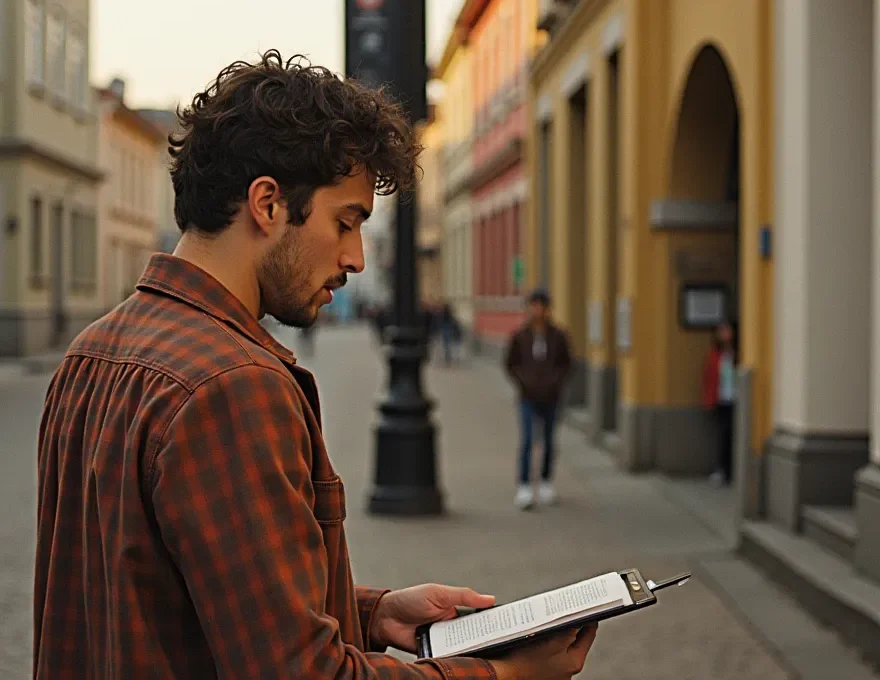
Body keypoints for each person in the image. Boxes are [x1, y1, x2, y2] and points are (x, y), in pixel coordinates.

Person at [33, 51, 597, 679]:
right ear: (268, 204)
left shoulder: (89, 353)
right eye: (345, 222)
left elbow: (175, 594)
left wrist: (371, 613)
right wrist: (503, 674)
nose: (356, 258)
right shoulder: (232, 385)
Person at [504, 290, 573, 510]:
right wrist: (523, 382)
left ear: (547, 309)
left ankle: (546, 482)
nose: (537, 310)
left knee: (549, 441)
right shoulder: (520, 336)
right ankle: (524, 485)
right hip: (527, 396)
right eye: (533, 306)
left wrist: (555, 382)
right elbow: (510, 364)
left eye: (541, 306)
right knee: (527, 440)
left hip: (551, 396)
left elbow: (567, 364)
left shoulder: (558, 336)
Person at [702, 320, 738, 486]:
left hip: (735, 400)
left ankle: (731, 470)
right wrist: (709, 399)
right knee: (724, 435)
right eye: (721, 331)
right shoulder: (716, 354)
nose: (724, 334)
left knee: (732, 435)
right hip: (721, 400)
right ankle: (723, 470)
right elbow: (708, 377)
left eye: (727, 330)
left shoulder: (737, 353)